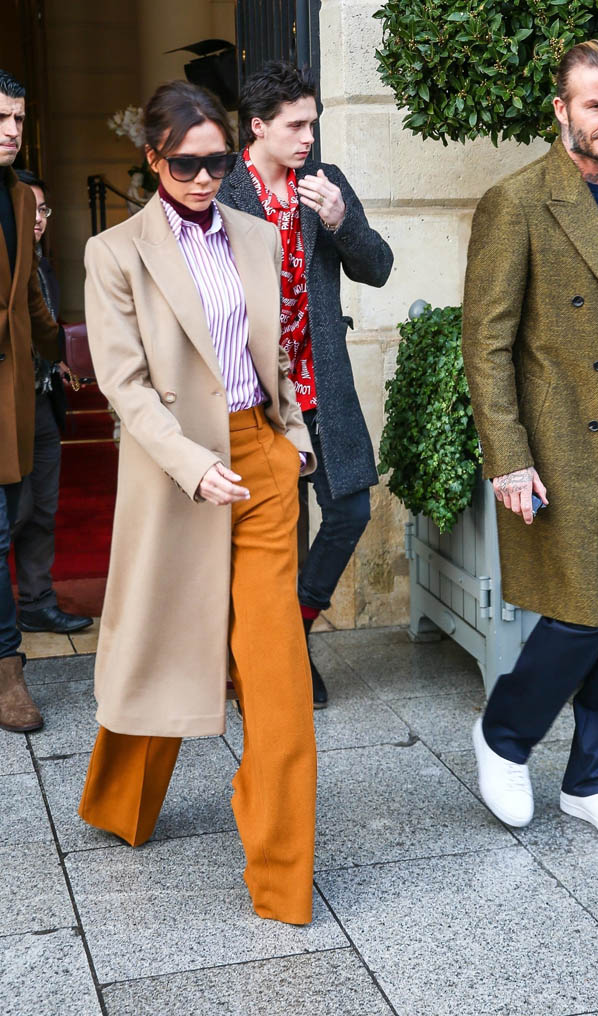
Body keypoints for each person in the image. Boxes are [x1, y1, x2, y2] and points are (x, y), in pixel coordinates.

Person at [77, 80, 318, 924]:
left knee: (277, 674)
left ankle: (284, 881)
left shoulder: (257, 235)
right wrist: (191, 463)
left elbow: (275, 347)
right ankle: (118, 802)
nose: (205, 178)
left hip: (259, 463)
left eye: (216, 162)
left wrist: (291, 438)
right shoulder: (115, 252)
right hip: (175, 468)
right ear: (154, 160)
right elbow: (125, 385)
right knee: (167, 641)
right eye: (186, 164)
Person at [462, 40, 598, 843]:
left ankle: (593, 781)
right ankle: (503, 735)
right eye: (596, 104)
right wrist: (509, 457)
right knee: (586, 609)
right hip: (566, 436)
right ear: (561, 109)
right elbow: (486, 343)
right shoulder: (517, 201)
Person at [217, 61, 393, 707]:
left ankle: (295, 626)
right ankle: (262, 657)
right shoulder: (224, 192)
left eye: (312, 123)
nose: (308, 137)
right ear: (258, 127)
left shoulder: (326, 184)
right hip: (254, 394)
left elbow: (377, 268)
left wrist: (343, 220)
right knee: (268, 531)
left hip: (321, 385)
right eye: (295, 125)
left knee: (349, 509)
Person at [0, 69, 63, 733]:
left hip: (13, 390)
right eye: (0, 118)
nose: (12, 130)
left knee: (10, 520)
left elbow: (31, 299)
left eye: (18, 118)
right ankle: (7, 666)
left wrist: (67, 349)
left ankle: (5, 665)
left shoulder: (20, 197)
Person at [12, 170, 91, 637]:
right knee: (15, 511)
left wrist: (57, 362)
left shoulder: (43, 267)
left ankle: (37, 602)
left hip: (42, 403)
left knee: (43, 509)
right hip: (8, 409)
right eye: (29, 209)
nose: (38, 219)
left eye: (43, 209)